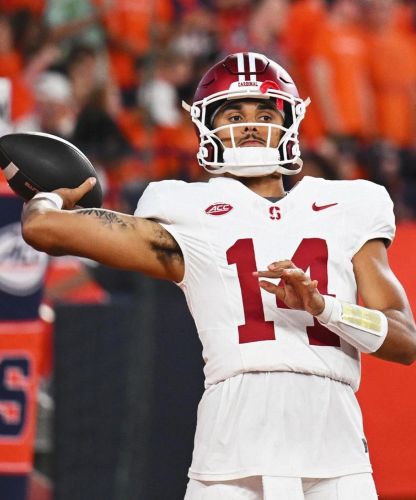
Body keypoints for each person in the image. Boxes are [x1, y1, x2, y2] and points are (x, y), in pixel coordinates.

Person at [19, 52, 416, 499]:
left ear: (289, 123)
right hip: (231, 450)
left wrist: (325, 307)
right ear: (206, 125)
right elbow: (43, 229)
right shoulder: (186, 211)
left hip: (335, 449)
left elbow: (405, 341)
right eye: (234, 114)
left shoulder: (351, 205)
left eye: (265, 113)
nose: (250, 126)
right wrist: (50, 197)